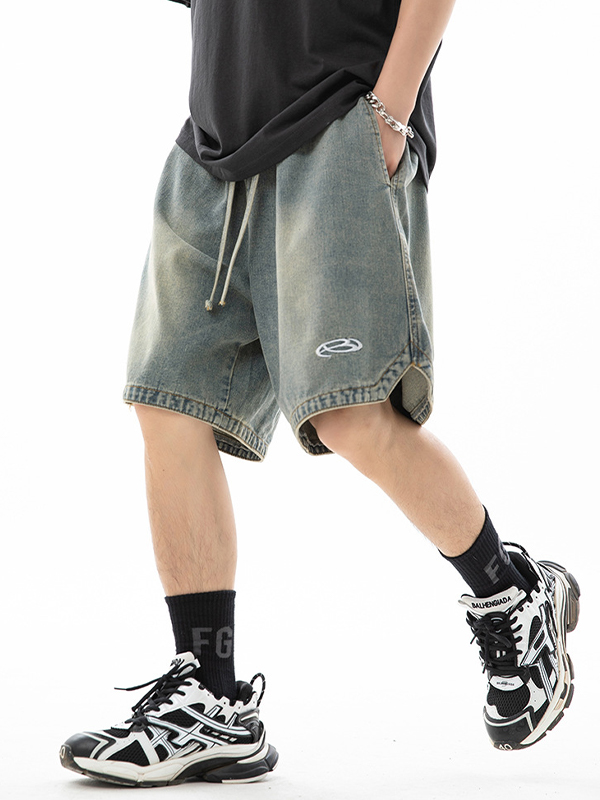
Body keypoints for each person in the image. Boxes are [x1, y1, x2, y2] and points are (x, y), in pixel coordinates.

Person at [59, 0, 580, 786]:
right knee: (167, 404)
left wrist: (391, 112)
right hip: (212, 144)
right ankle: (212, 697)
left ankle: (511, 593)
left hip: (340, 117)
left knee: (350, 413)